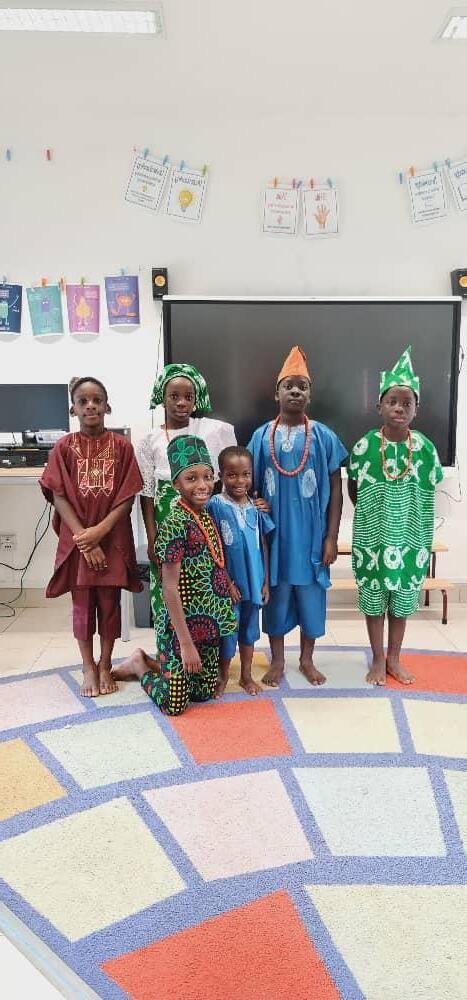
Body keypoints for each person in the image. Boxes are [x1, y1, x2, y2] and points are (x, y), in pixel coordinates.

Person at [112, 435, 237, 715]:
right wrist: (186, 643)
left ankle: (165, 665)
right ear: (176, 484)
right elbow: (169, 589)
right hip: (180, 630)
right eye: (191, 478)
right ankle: (140, 665)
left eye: (207, 477)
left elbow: (215, 561)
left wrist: (227, 585)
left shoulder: (205, 515)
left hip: (208, 623)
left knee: (202, 693)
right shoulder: (173, 524)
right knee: (175, 704)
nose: (202, 485)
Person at [248, 346, 348, 687]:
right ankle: (277, 660)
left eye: (302, 386)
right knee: (275, 596)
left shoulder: (323, 436)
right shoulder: (261, 436)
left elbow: (336, 490)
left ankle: (306, 659)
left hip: (311, 537)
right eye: (288, 386)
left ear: (310, 395)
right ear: (276, 393)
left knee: (310, 597)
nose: (295, 391)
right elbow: (247, 484)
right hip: (274, 537)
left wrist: (331, 537)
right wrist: (256, 503)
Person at [40, 377, 143, 697]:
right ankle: (87, 666)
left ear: (107, 406)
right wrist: (84, 539)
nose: (91, 406)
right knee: (82, 605)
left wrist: (100, 532)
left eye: (97, 400)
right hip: (78, 541)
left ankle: (105, 664)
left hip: (112, 538)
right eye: (83, 402)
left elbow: (127, 496)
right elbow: (58, 494)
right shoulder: (63, 447)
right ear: (73, 409)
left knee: (110, 604)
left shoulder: (122, 447)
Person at [348, 346, 443, 686]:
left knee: (402, 600)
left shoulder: (426, 449)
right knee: (374, 600)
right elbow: (354, 489)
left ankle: (394, 659)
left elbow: (430, 487)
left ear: (417, 409)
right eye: (392, 401)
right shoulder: (364, 447)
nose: (399, 408)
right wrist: (376, 519)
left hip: (411, 537)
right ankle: (376, 658)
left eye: (407, 403)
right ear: (379, 406)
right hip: (372, 536)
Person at [136, 363, 236, 645]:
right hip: (166, 524)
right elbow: (147, 494)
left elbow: (227, 476)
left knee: (201, 583)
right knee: (168, 586)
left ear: (197, 399)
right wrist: (152, 539)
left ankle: (202, 650)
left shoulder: (212, 431)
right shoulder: (150, 440)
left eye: (188, 397)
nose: (181, 403)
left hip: (202, 523)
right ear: (162, 398)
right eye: (174, 396)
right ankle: (170, 653)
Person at [206, 445, 274, 696]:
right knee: (227, 630)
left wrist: (265, 582)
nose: (240, 481)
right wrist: (226, 582)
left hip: (254, 581)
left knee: (249, 630)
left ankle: (246, 675)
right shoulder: (215, 505)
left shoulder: (256, 507)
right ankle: (223, 676)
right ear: (221, 476)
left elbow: (263, 544)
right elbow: (212, 547)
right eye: (232, 475)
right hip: (229, 585)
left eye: (246, 474)